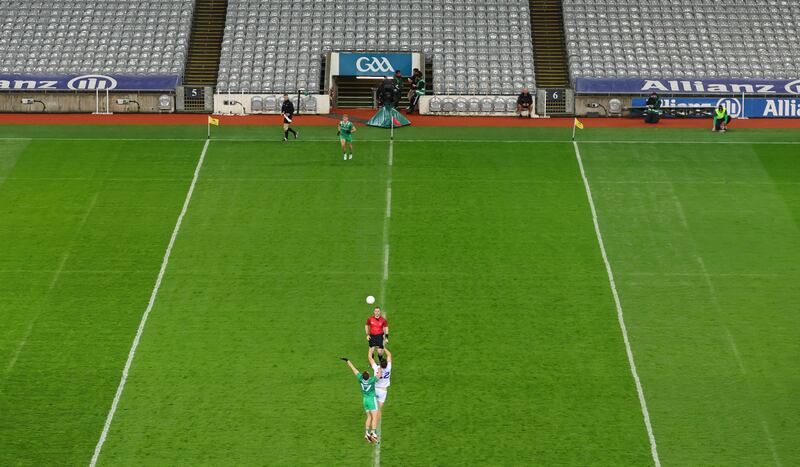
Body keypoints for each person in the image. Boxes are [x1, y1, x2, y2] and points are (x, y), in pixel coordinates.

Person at [340, 357, 381, 443]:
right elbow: (379, 375)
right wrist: (379, 366)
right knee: (375, 416)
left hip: (365, 400)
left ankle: (366, 433)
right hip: (371, 400)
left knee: (369, 416)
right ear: (369, 376)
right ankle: (373, 433)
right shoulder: (371, 380)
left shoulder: (360, 379)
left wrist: (348, 361)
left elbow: (353, 369)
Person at [367, 346, 392, 413]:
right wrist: (384, 347)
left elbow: (370, 358)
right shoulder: (389, 367)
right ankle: (376, 422)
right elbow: (389, 355)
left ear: (380, 364)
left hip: (374, 389)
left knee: (371, 410)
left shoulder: (376, 368)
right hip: (383, 391)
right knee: (378, 411)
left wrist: (370, 346)